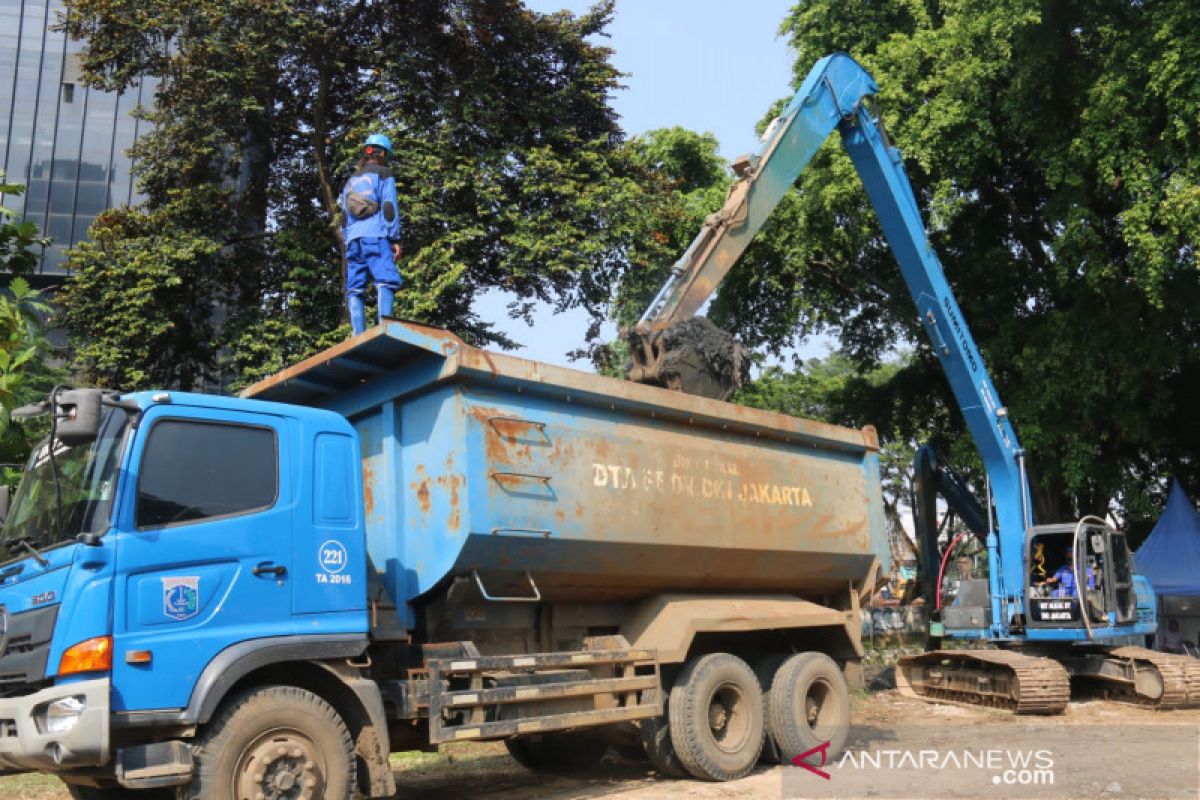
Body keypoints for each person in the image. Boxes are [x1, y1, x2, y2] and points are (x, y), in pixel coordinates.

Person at [341, 133, 403, 335]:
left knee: (355, 287)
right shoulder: (384, 173)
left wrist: (348, 239)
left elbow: (344, 215)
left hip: (353, 239)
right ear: (383, 154)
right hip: (375, 235)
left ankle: (357, 334)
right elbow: (388, 207)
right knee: (386, 279)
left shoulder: (351, 181)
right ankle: (386, 327)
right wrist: (394, 238)